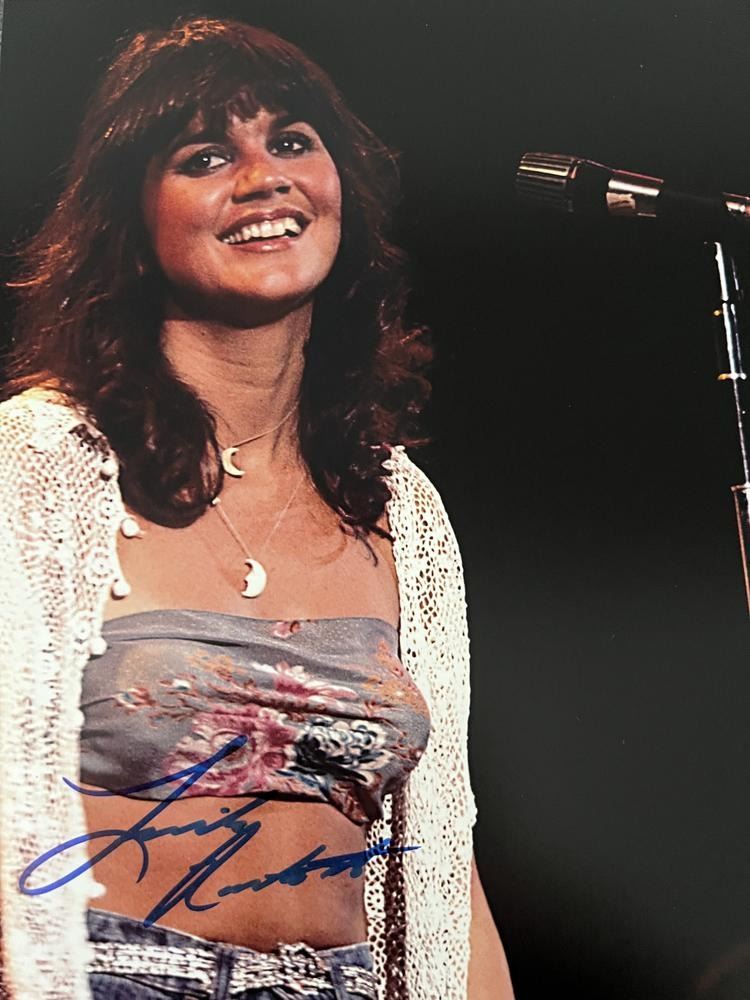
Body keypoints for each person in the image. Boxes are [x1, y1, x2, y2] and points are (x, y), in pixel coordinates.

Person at [0, 15, 514, 1000]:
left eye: (291, 140)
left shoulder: (398, 506)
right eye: (205, 156)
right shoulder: (40, 465)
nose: (262, 177)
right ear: (131, 221)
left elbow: (447, 865)